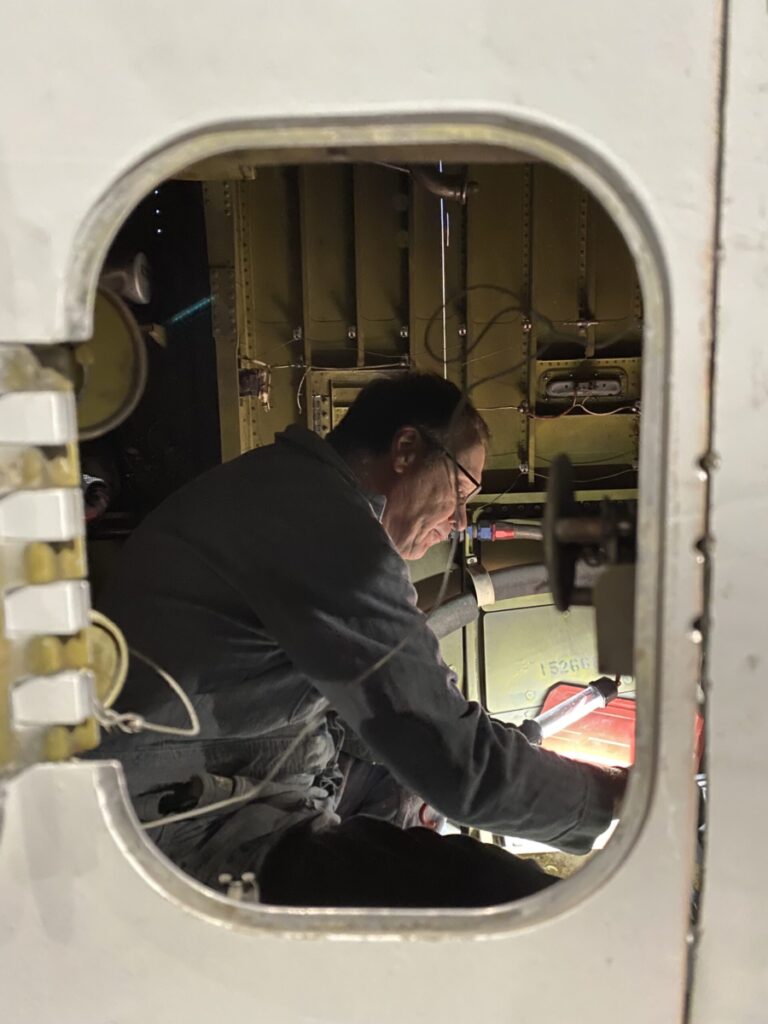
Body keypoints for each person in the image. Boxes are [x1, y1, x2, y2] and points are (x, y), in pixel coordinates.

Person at [93, 372, 625, 907]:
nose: (460, 521)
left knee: (397, 784)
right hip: (181, 824)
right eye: (461, 490)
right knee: (493, 898)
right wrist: (614, 799)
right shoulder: (329, 531)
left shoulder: (286, 488)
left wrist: (490, 743)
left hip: (215, 772)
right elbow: (454, 763)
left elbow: (395, 720)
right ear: (407, 449)